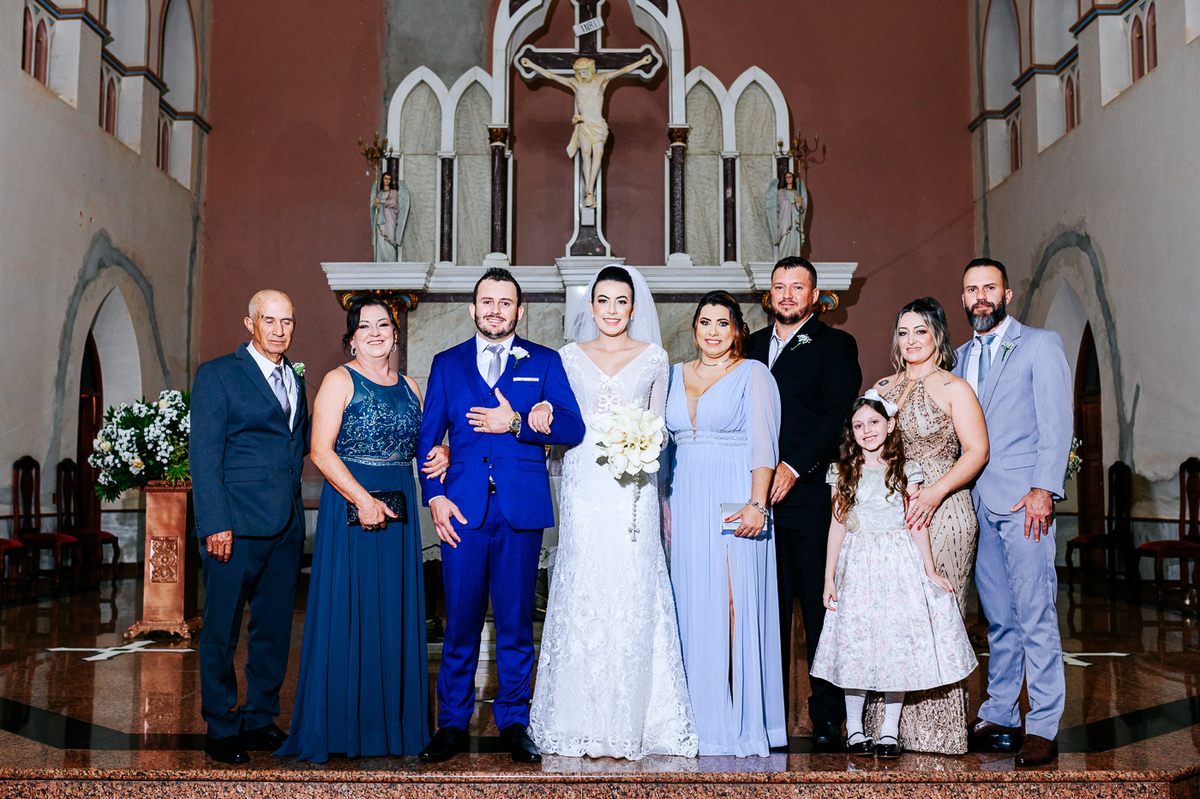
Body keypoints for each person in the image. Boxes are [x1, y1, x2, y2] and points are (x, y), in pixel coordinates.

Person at [416, 267, 586, 764]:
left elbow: (573, 427)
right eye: (486, 302)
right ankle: (450, 724)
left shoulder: (544, 361)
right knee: (460, 623)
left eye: (505, 302)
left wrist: (516, 422)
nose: (495, 310)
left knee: (514, 624)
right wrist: (434, 495)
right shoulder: (446, 364)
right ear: (472, 310)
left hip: (519, 510)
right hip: (462, 513)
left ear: (520, 310)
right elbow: (429, 441)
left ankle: (514, 722)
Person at [530, 265, 698, 760]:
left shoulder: (654, 358)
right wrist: (540, 414)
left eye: (620, 301)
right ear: (590, 306)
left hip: (632, 487)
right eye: (601, 300)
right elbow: (561, 418)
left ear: (633, 306)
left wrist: (644, 445)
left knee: (632, 583)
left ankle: (641, 716)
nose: (610, 310)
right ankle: (575, 716)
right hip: (585, 483)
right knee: (584, 581)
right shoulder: (567, 358)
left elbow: (660, 426)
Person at [276, 299, 434, 762]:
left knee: (392, 614)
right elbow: (320, 452)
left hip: (399, 510)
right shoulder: (338, 381)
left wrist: (439, 454)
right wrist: (363, 500)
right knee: (351, 610)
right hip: (351, 508)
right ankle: (342, 729)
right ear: (351, 337)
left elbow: (421, 447)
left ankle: (394, 730)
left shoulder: (411, 387)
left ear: (395, 333)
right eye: (364, 326)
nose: (375, 332)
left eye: (383, 324)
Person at [952, 258, 1072, 767]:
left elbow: (1056, 420)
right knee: (997, 618)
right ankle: (1001, 711)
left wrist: (1045, 487)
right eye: (971, 290)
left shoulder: (1040, 345)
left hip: (1024, 500)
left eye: (989, 288)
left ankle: (1043, 723)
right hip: (975, 504)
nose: (981, 297)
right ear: (962, 299)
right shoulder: (957, 357)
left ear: (1006, 294)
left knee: (1035, 613)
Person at [811, 393, 977, 759]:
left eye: (873, 422)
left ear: (889, 425)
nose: (867, 430)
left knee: (894, 645)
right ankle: (854, 728)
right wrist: (829, 577)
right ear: (851, 433)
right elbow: (837, 526)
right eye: (858, 426)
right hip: (857, 565)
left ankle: (889, 730)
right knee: (856, 645)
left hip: (897, 564)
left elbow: (916, 523)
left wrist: (929, 568)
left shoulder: (906, 469)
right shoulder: (842, 471)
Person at [860, 297, 988, 754]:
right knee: (892, 616)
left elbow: (976, 451)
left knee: (938, 616)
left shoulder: (955, 388)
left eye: (920, 332)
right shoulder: (881, 388)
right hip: (891, 513)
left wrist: (934, 494)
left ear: (938, 336)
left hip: (945, 507)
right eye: (903, 332)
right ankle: (889, 727)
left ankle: (939, 730)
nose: (911, 341)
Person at [189, 290, 311, 764]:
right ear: (249, 323)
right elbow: (204, 456)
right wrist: (215, 522)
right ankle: (221, 725)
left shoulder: (297, 380)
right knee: (221, 629)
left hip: (285, 526)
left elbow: (294, 447)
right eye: (269, 320)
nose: (279, 330)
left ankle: (260, 717)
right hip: (234, 527)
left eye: (287, 322)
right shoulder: (218, 375)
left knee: (274, 629)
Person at [665, 290, 785, 757]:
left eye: (723, 323)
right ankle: (695, 717)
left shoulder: (754, 374)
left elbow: (763, 444)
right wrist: (663, 506)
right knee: (691, 605)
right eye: (705, 322)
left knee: (734, 607)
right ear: (693, 328)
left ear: (737, 330)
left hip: (735, 500)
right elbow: (663, 448)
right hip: (687, 500)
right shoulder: (672, 376)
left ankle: (739, 721)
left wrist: (759, 503)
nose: (713, 332)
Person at [746, 257, 861, 747]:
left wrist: (793, 467)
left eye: (798, 287)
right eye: (779, 287)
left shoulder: (835, 344)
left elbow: (837, 414)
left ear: (815, 296)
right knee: (765, 611)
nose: (787, 295)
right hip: (756, 499)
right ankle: (769, 713)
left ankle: (828, 714)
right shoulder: (748, 345)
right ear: (770, 296)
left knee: (818, 612)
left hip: (810, 497)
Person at [519, 54, 653, 208]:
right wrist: (532, 65)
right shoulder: (574, 83)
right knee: (585, 155)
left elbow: (623, 70)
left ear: (591, 69)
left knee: (598, 156)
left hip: (598, 125)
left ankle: (590, 189)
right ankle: (589, 193)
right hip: (583, 125)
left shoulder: (602, 79)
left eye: (585, 72)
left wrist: (642, 62)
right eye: (580, 72)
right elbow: (552, 76)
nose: (582, 75)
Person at [767, 172, 807, 260]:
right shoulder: (781, 192)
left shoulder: (797, 192)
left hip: (795, 220)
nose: (788, 178)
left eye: (790, 177)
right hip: (785, 220)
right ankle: (783, 259)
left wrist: (800, 204)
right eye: (787, 177)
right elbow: (780, 204)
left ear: (793, 178)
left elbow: (801, 210)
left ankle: (795, 257)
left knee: (794, 239)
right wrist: (793, 201)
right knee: (785, 238)